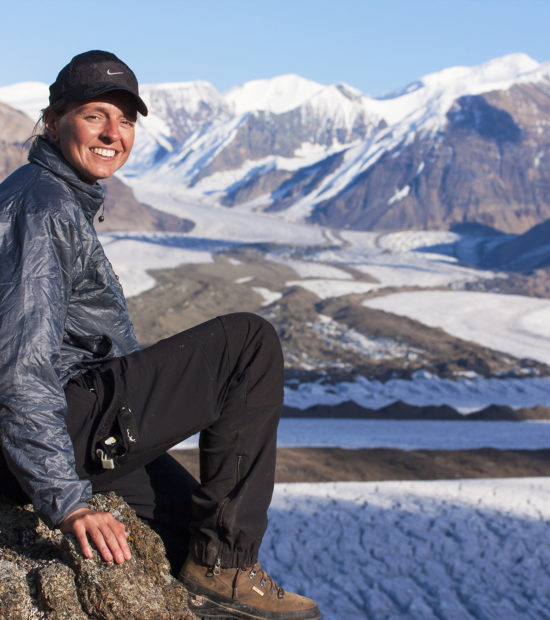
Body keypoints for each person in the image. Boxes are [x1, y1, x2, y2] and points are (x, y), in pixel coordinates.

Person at [0, 50, 320, 620]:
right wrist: (69, 504)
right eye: (96, 114)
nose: (113, 133)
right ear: (53, 121)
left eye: (125, 120)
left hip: (69, 425)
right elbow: (20, 366)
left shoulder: (54, 196)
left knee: (187, 529)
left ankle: (210, 575)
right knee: (247, 345)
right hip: (58, 423)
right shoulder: (43, 206)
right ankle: (225, 568)